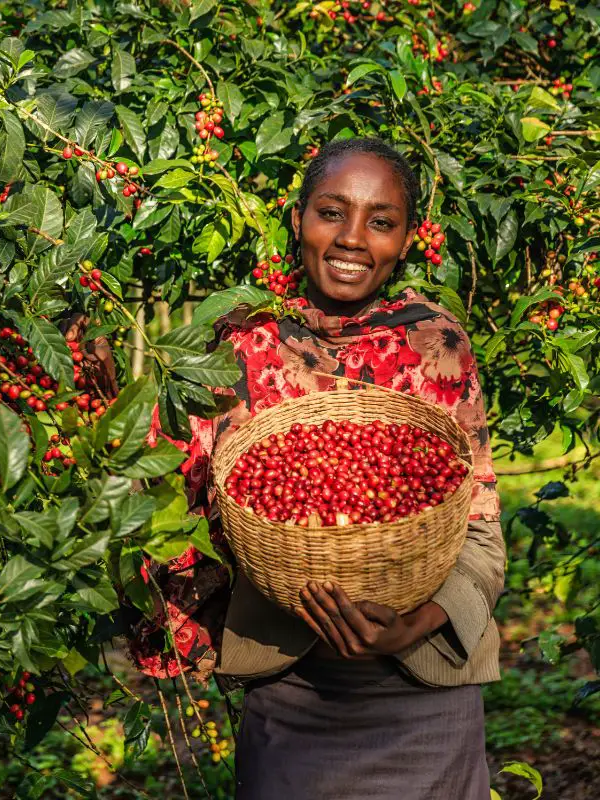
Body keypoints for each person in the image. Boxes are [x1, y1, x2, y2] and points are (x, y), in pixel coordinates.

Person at [128, 138, 503, 799]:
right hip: (293, 690)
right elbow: (179, 502)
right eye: (332, 212)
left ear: (408, 239)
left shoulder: (436, 342)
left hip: (423, 696)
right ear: (298, 218)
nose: (352, 240)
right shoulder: (246, 342)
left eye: (380, 221)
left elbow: (479, 531)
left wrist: (409, 627)